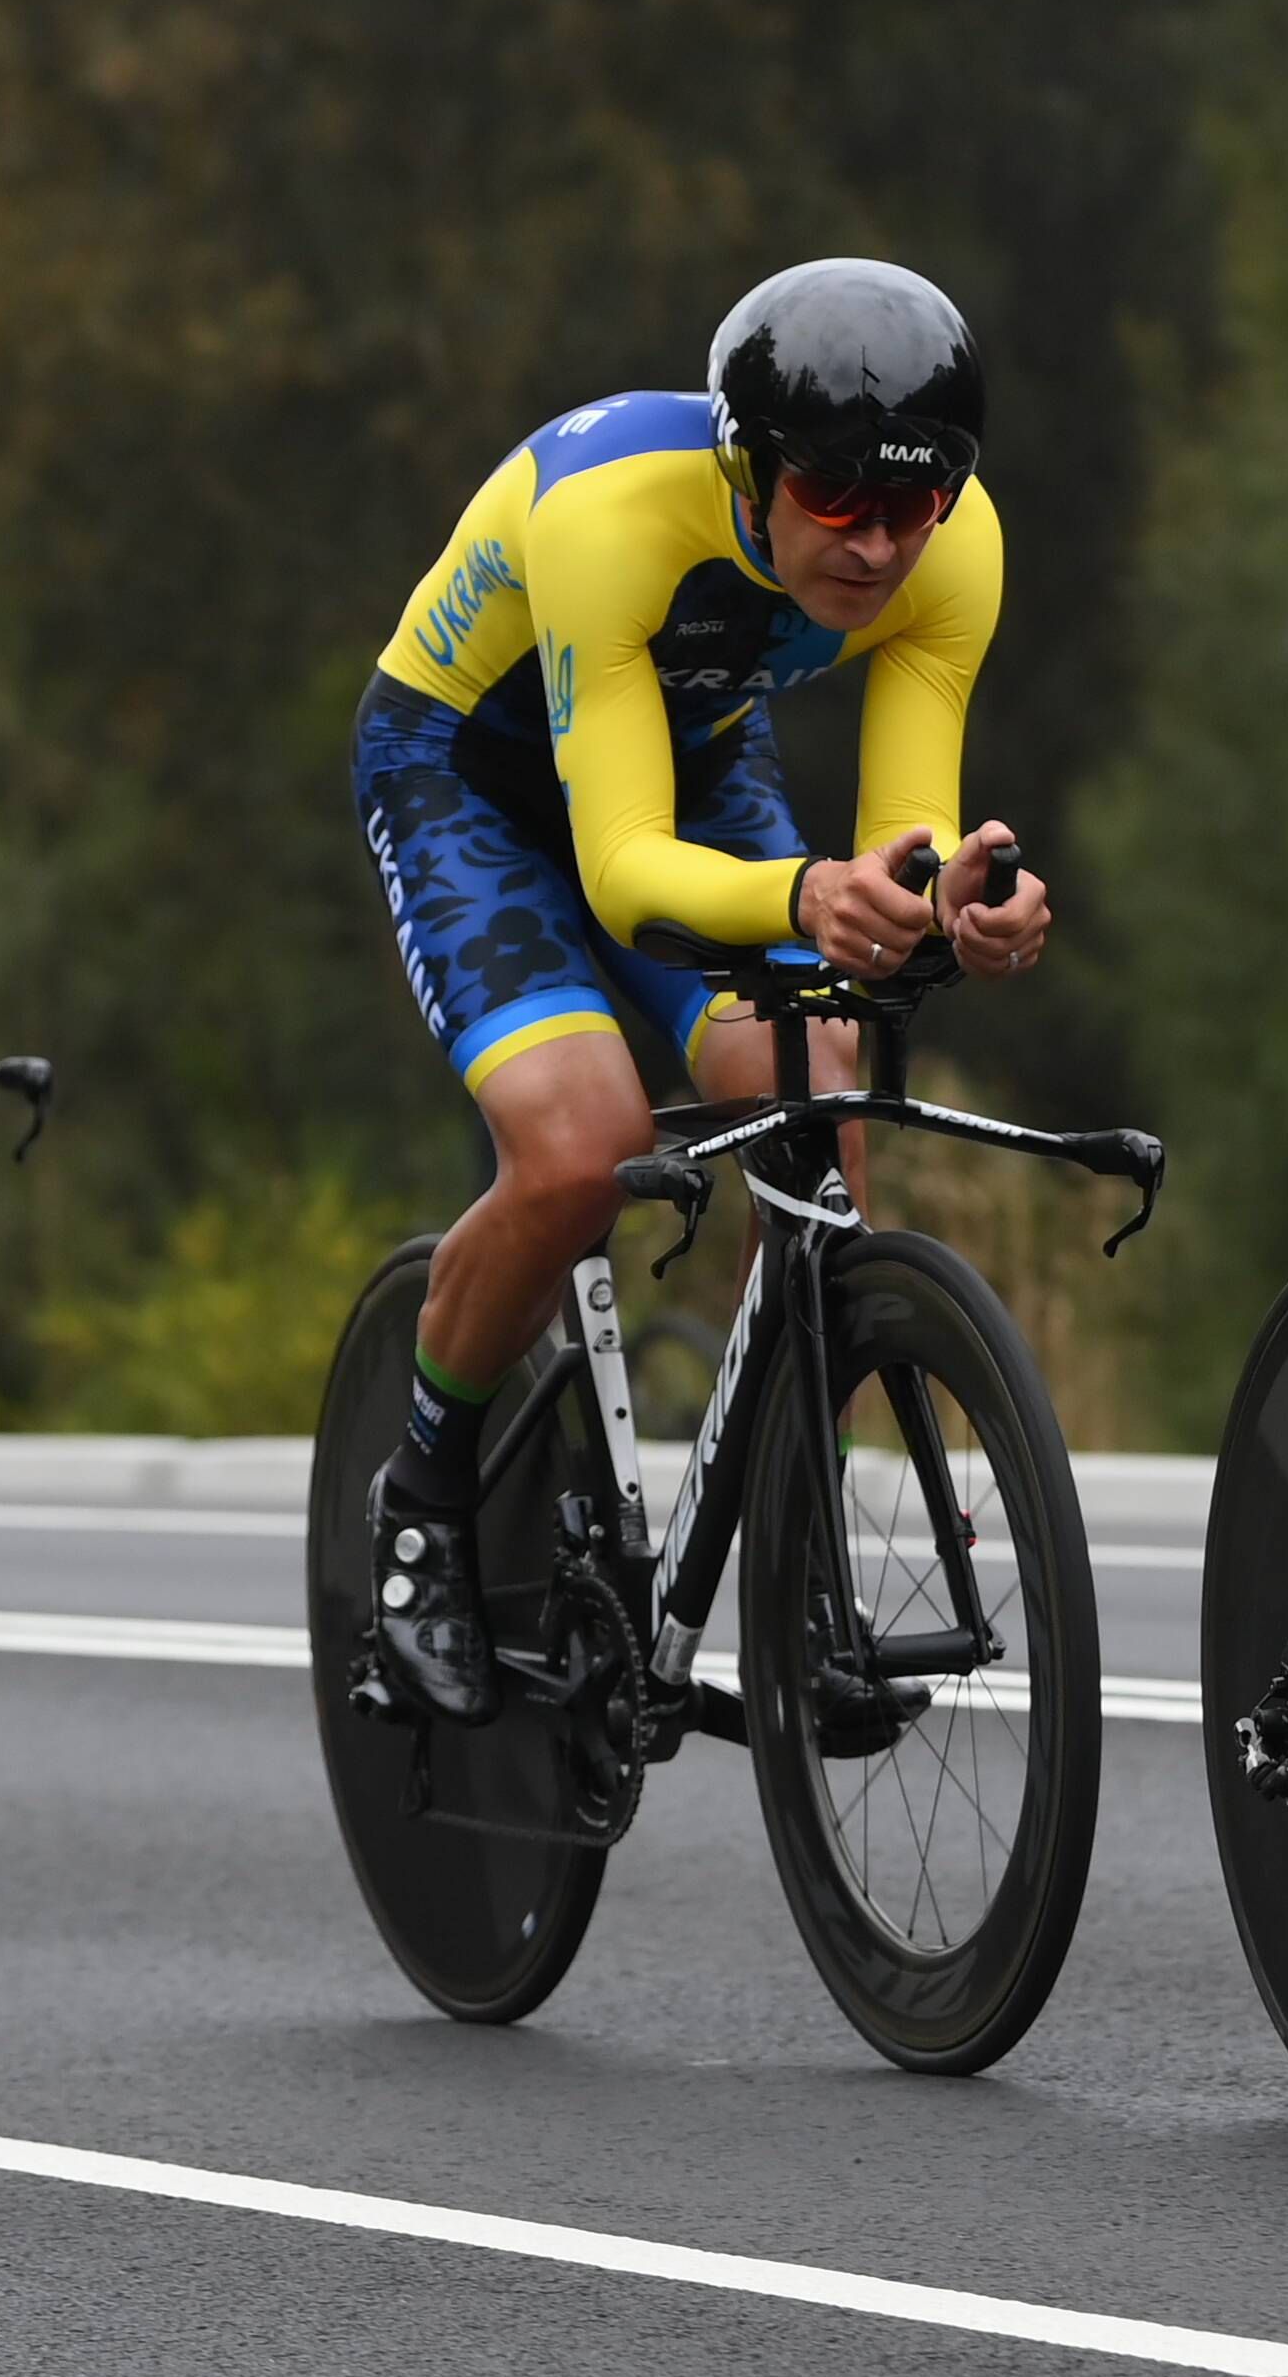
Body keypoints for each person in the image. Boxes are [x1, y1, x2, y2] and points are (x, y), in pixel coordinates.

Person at [354, 257, 1056, 1725]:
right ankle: (421, 1492)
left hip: (686, 752)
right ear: (749, 471)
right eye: (838, 502)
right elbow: (620, 872)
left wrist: (953, 910)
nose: (877, 549)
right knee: (577, 1151)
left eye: (912, 507)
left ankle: (799, 1558)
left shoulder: (958, 548)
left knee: (823, 1096)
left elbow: (899, 851)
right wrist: (815, 897)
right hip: (471, 781)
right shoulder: (611, 512)